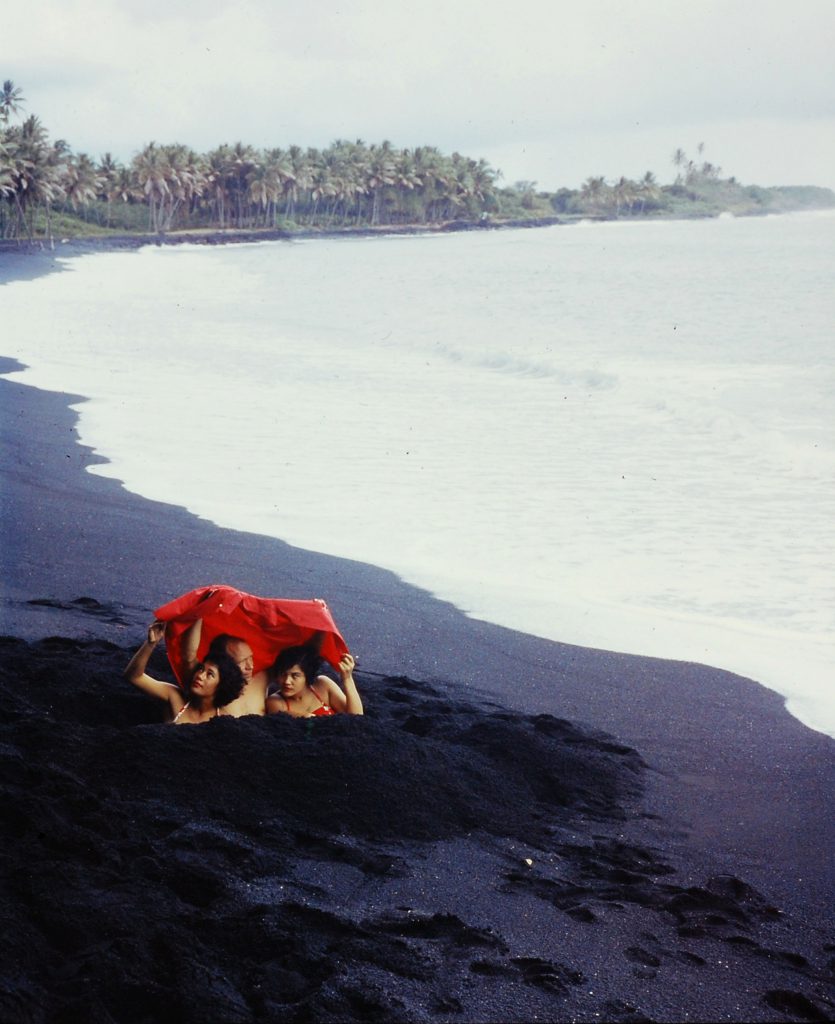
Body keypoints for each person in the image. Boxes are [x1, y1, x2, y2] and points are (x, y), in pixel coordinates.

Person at [124, 622, 245, 725]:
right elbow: (133, 677)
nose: (199, 675)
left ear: (221, 686)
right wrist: (151, 644)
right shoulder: (174, 696)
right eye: (201, 669)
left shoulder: (223, 721)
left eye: (210, 674)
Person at [181, 623, 269, 717]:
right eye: (242, 661)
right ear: (224, 664)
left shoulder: (262, 678)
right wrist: (199, 613)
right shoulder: (206, 683)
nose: (250, 666)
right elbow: (188, 657)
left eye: (250, 658)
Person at [266, 645, 363, 717]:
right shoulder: (275, 702)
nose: (287, 681)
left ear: (307, 675)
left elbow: (357, 717)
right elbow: (308, 721)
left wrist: (347, 679)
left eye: (295, 676)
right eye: (283, 674)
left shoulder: (323, 685)